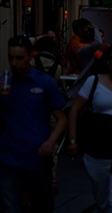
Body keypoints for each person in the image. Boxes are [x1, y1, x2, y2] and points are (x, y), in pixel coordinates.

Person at [0, 35, 67, 213]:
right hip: (9, 159)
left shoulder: (45, 83)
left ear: (30, 56)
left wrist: (52, 141)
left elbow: (61, 119)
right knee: (11, 207)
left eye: (19, 58)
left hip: (37, 158)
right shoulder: (4, 82)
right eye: (11, 57)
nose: (14, 63)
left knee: (41, 206)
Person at [68, 44, 112, 213]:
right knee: (102, 199)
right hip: (97, 149)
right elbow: (74, 110)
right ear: (108, 61)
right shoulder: (94, 82)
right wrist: (73, 140)